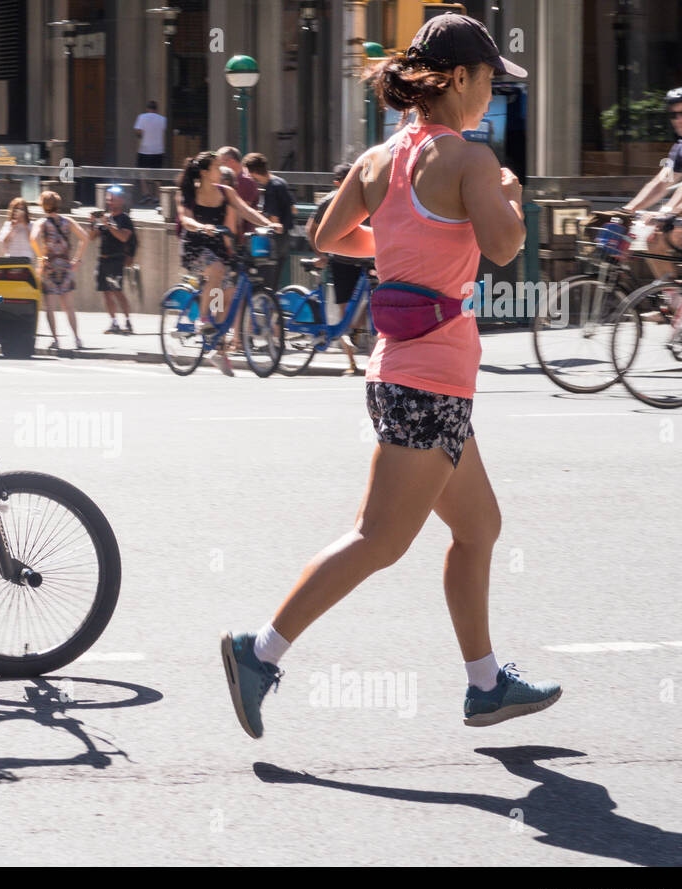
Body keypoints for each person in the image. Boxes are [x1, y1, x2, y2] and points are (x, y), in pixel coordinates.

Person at [220, 13, 561, 738]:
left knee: (480, 527)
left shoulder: (380, 157)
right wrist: (509, 193)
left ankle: (485, 683)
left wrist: (404, 239)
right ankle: (260, 650)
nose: (490, 97)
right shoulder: (469, 159)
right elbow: (504, 246)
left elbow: (326, 235)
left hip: (405, 374)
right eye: (489, 83)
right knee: (379, 538)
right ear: (460, 80)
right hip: (429, 379)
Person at [178, 151, 282, 376]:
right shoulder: (190, 193)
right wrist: (199, 226)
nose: (221, 169)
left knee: (227, 295)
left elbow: (247, 211)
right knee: (215, 272)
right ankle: (202, 319)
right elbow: (185, 219)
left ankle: (217, 346)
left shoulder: (226, 192)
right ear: (205, 172)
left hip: (218, 249)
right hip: (195, 248)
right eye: (216, 166)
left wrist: (269, 224)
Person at [622, 88, 682, 281]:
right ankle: (673, 299)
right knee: (652, 239)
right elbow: (660, 182)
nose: (679, 119)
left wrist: (667, 213)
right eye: (674, 115)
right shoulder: (680, 148)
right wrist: (627, 210)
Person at [306, 162, 366, 375]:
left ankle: (355, 342)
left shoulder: (363, 197)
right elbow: (310, 229)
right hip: (341, 261)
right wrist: (320, 254)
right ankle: (351, 362)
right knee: (344, 314)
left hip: (363, 259)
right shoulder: (328, 201)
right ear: (338, 183)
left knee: (364, 307)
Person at [30, 190, 90, 351]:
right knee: (68, 306)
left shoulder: (41, 223)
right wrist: (77, 259)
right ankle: (77, 338)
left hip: (49, 266)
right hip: (65, 265)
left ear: (43, 205)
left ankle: (56, 339)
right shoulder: (67, 221)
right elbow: (85, 237)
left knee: (50, 307)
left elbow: (33, 238)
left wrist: (41, 257)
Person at [243, 151, 294, 291]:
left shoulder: (271, 189)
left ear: (253, 172)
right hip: (285, 240)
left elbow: (273, 220)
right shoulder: (280, 182)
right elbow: (293, 209)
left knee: (264, 284)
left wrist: (255, 217)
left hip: (272, 243)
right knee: (274, 284)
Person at [88, 186, 135, 334]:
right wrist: (93, 223)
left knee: (117, 291)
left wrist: (109, 225)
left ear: (121, 200)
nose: (109, 202)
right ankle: (114, 322)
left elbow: (124, 237)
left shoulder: (125, 219)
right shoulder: (105, 218)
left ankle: (127, 322)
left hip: (116, 259)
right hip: (103, 259)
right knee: (106, 292)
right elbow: (91, 237)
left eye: (113, 199)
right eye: (108, 199)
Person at [217, 146, 260, 236]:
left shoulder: (245, 180)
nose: (218, 167)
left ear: (231, 162)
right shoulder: (232, 178)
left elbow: (242, 212)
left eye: (220, 163)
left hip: (241, 235)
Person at [133, 100, 167, 205]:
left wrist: (141, 135)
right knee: (158, 175)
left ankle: (146, 194)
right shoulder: (163, 119)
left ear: (147, 108)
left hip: (145, 150)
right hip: (158, 150)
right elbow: (164, 131)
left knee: (142, 173)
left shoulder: (142, 117)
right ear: (157, 110)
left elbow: (138, 131)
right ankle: (157, 197)